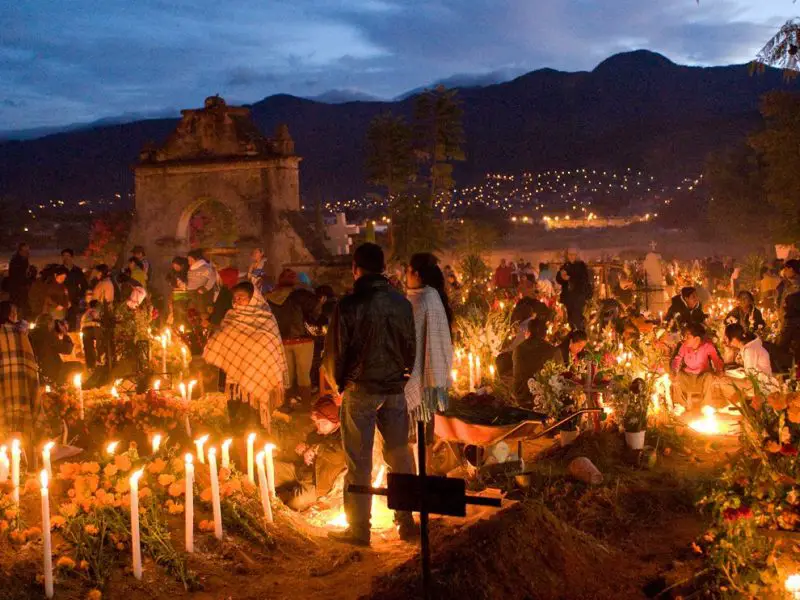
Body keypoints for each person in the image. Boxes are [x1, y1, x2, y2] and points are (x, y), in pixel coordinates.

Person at [323, 243, 417, 546]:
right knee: (399, 454)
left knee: (358, 460)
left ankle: (360, 529)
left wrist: (338, 383)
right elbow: (410, 347)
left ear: (355, 268)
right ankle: (407, 523)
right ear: (383, 268)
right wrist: (402, 376)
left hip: (360, 389)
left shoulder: (349, 305)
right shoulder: (401, 303)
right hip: (394, 389)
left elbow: (335, 353)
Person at [204, 281, 287, 431]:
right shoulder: (230, 316)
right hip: (235, 376)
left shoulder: (266, 318)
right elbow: (221, 339)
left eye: (241, 297)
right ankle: (238, 431)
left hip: (260, 372)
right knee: (237, 412)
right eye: (235, 298)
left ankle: (258, 431)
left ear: (253, 298)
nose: (237, 300)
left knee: (254, 414)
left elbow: (271, 345)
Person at [404, 253, 454, 444]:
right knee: (425, 433)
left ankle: (420, 471)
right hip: (429, 380)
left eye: (407, 271)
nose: (405, 276)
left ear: (416, 274)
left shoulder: (421, 301)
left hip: (419, 378)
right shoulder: (432, 297)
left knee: (418, 436)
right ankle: (425, 469)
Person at [273, 395, 346, 511]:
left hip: (316, 485)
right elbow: (309, 449)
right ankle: (281, 490)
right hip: (301, 472)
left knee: (295, 503)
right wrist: (303, 448)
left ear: (336, 422)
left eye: (323, 423)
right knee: (272, 469)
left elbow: (339, 457)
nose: (319, 427)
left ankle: (282, 494)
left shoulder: (343, 437)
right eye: (317, 423)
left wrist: (316, 449)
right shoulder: (317, 433)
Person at [266, 269, 322, 406]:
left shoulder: (270, 297)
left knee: (287, 376)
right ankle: (305, 406)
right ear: (294, 281)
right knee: (304, 375)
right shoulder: (301, 295)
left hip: (281, 341)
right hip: (303, 340)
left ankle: (286, 405)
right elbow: (317, 308)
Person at [0, 301, 41, 457]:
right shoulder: (20, 333)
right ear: (10, 314)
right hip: (21, 385)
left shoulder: (18, 333)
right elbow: (30, 361)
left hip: (4, 384)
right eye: (13, 312)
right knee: (24, 425)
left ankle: (8, 460)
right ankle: (28, 460)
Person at [671, 323, 724, 410]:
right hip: (688, 376)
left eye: (688, 337)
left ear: (697, 339)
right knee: (678, 376)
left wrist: (719, 371)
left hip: (702, 376)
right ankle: (680, 405)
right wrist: (674, 372)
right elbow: (677, 359)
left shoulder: (708, 346)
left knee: (709, 377)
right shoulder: (684, 346)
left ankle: (706, 406)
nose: (685, 339)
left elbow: (716, 360)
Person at [513, 318, 562, 406]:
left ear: (529, 331)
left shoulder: (518, 349)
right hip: (544, 401)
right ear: (545, 333)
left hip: (521, 398)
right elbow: (561, 377)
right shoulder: (553, 351)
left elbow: (516, 375)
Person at [28, 314, 81, 384]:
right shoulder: (48, 334)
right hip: (51, 370)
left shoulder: (29, 333)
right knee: (79, 366)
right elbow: (67, 349)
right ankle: (61, 385)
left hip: (34, 370)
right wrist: (65, 334)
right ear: (49, 323)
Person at [556, 248, 593, 330]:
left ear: (577, 255)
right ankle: (574, 334)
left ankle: (580, 334)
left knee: (577, 318)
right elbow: (558, 279)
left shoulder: (581, 266)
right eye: (570, 254)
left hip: (578, 297)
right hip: (568, 298)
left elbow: (583, 279)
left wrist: (570, 278)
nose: (571, 256)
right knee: (570, 319)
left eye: (573, 254)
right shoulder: (565, 265)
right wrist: (562, 277)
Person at [61, 249, 88, 329]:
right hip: (62, 300)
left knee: (73, 322)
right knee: (62, 323)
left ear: (72, 257)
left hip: (74, 300)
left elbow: (84, 285)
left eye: (68, 256)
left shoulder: (77, 271)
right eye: (64, 256)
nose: (66, 258)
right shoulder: (59, 270)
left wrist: (79, 297)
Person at [187, 249, 218, 317]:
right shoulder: (191, 269)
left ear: (197, 259)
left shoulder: (205, 268)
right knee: (194, 311)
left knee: (202, 311)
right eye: (188, 260)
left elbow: (212, 278)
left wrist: (205, 288)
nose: (189, 262)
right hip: (192, 293)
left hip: (200, 293)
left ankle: (205, 324)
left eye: (191, 260)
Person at [7, 243, 32, 318]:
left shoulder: (24, 259)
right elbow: (16, 275)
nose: (27, 252)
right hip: (17, 288)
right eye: (25, 250)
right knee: (17, 306)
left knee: (22, 306)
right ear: (20, 251)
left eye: (28, 250)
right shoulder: (16, 260)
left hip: (21, 288)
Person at [80, 299, 103, 370]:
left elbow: (82, 324)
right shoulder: (95, 311)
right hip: (93, 328)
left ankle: (91, 365)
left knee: (88, 347)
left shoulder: (85, 313)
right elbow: (95, 318)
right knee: (100, 342)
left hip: (86, 329)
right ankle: (99, 360)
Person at [167, 256, 190, 326]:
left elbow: (186, 285)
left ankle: (186, 329)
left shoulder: (186, 273)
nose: (175, 268)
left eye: (176, 266)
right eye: (174, 266)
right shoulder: (173, 273)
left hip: (185, 297)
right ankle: (177, 328)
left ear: (182, 265)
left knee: (184, 314)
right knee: (176, 313)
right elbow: (169, 280)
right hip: (176, 296)